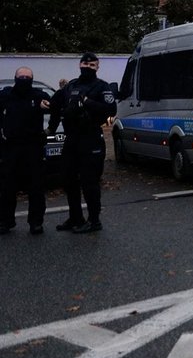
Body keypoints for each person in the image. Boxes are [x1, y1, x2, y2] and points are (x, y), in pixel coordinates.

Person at [47, 53, 116, 234]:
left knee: (89, 182)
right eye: (85, 63)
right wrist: (49, 124)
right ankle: (75, 217)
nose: (88, 67)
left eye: (92, 65)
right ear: (79, 64)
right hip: (72, 139)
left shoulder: (102, 87)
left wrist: (87, 102)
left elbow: (111, 109)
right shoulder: (71, 86)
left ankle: (94, 221)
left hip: (91, 138)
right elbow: (55, 104)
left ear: (97, 67)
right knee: (68, 180)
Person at [0, 67, 50, 234]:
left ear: (32, 78)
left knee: (36, 187)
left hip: (33, 148)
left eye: (27, 77)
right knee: (7, 187)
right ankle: (6, 221)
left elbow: (53, 107)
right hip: (10, 148)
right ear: (15, 77)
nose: (24, 79)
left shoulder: (39, 95)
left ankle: (36, 222)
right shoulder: (5, 95)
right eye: (21, 76)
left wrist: (49, 129)